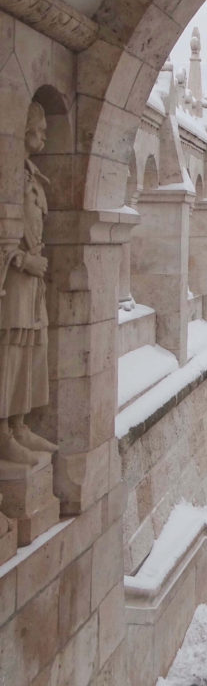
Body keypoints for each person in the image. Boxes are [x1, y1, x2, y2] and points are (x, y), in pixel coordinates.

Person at [0, 101, 57, 465]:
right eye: (41, 128)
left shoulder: (33, 177)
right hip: (16, 280)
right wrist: (24, 261)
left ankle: (20, 425)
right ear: (25, 129)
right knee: (11, 352)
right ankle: (3, 431)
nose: (46, 135)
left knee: (31, 348)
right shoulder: (9, 176)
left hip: (32, 282)